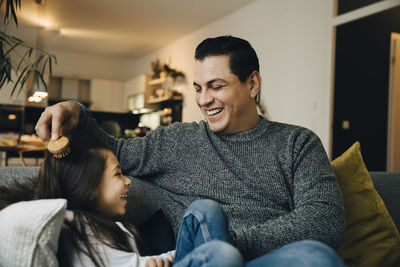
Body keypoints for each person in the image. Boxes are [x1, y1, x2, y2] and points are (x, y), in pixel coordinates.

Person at [35, 36, 347, 266]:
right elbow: (116, 153)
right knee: (208, 216)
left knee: (317, 257)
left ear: (252, 84)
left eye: (216, 86)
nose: (203, 100)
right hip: (203, 260)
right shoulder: (178, 141)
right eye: (198, 88)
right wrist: (75, 111)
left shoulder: (298, 143)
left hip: (259, 260)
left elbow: (324, 220)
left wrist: (233, 242)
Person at [0, 137, 244, 267]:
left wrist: (162, 259)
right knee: (222, 255)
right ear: (89, 186)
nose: (128, 182)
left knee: (205, 209)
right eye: (118, 174)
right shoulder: (76, 224)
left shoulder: (114, 225)